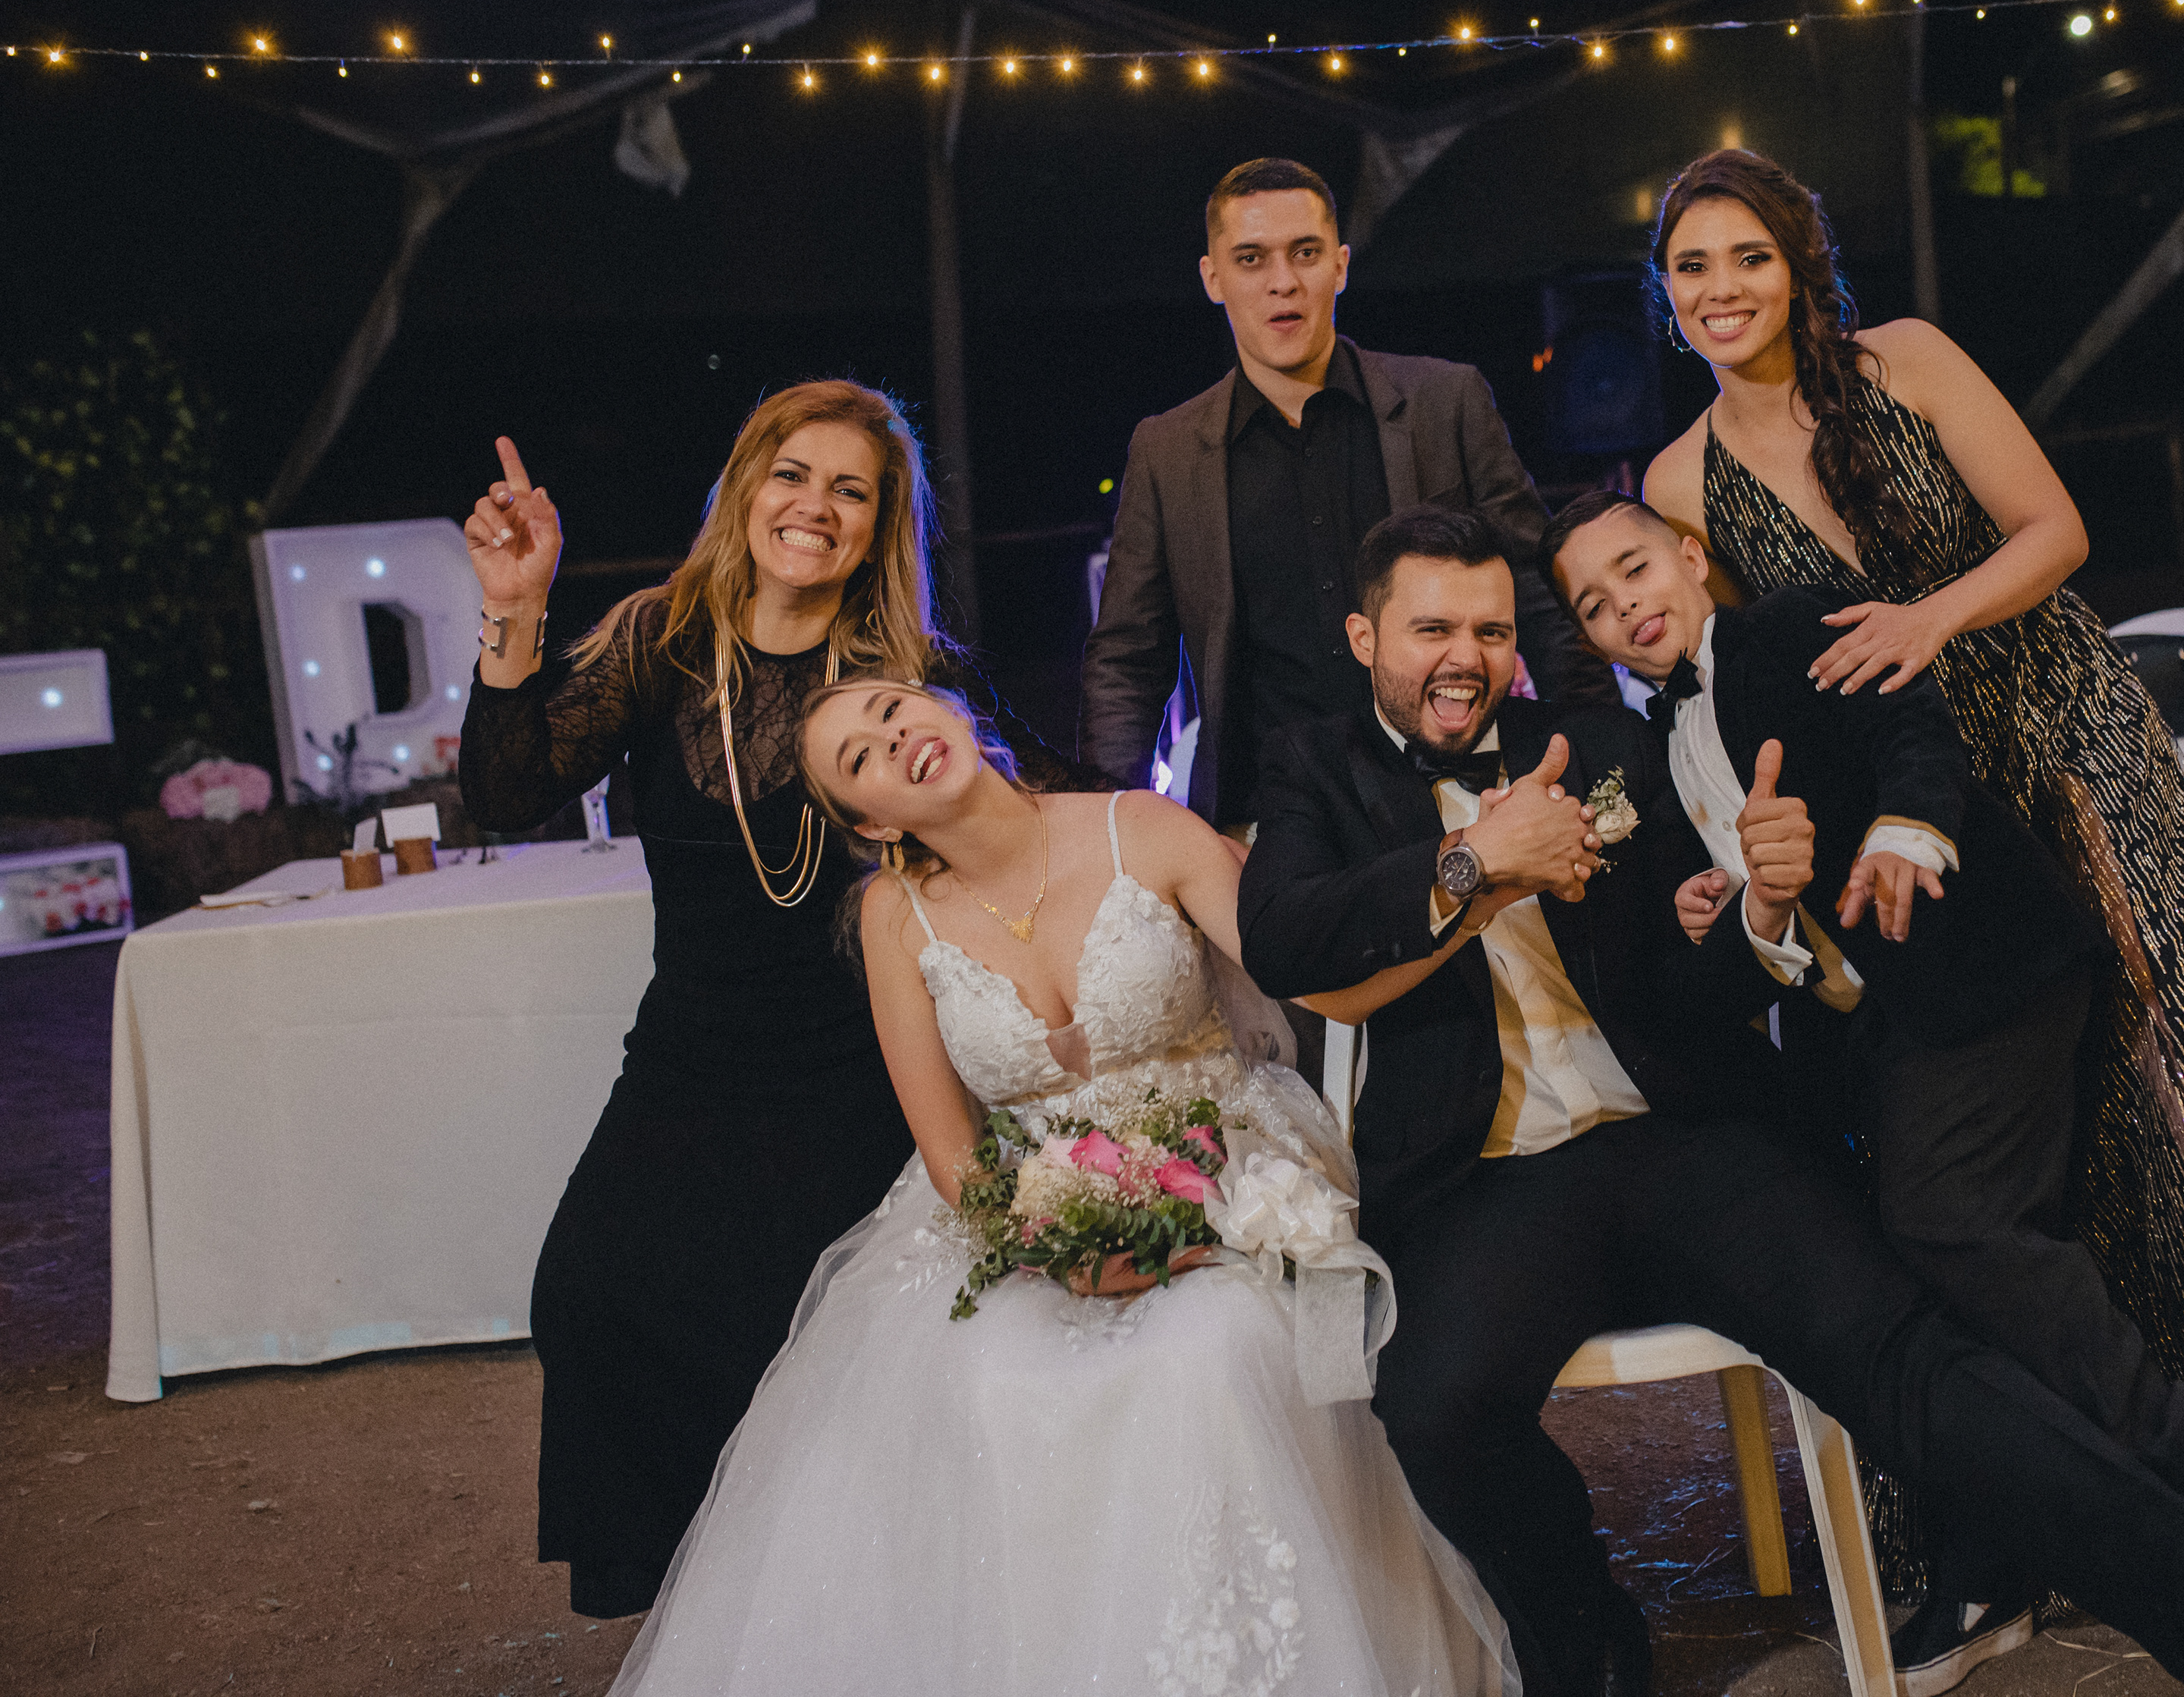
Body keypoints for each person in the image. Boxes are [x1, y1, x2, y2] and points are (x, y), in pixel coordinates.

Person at [1236, 504, 2184, 1697]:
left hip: (1681, 1141)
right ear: (1365, 636)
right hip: (1490, 1184)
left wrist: (1759, 910)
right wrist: (1477, 862)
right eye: (1432, 628)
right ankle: (1587, 1643)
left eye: (1490, 631)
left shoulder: (1593, 743)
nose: (1466, 656)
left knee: (1904, 1351)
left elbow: (1683, 992)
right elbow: (1281, 936)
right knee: (1437, 1405)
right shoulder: (1312, 765)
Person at [1634, 148, 2184, 1503]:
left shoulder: (1908, 361)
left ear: (1799, 263)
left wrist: (1928, 617)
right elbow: (1742, 693)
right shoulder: (1677, 483)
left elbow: (2054, 529)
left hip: (2068, 740)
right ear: (1664, 292)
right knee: (2074, 1134)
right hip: (1928, 820)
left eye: (1748, 256)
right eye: (1691, 266)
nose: (1722, 288)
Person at [599, 680, 1513, 1695]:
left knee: (1207, 1354)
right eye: (860, 757)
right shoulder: (892, 918)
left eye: (895, 710)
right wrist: (1054, 1247)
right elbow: (952, 1154)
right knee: (994, 1374)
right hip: (1027, 1201)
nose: (895, 739)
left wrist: (1475, 894)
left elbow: (1323, 980)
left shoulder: (1145, 827)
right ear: (872, 822)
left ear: (951, 709)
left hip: (1228, 1163)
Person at [1544, 489, 2184, 1684]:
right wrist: (1730, 907)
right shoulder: (1654, 746)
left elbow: (1911, 726)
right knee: (1921, 1269)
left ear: (1690, 556)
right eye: (1594, 603)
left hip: (1979, 962)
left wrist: (1908, 825)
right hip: (1880, 1032)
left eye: (1634, 568)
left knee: (1948, 1217)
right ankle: (2014, 1546)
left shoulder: (1786, 628)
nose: (1624, 606)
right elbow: (1744, 922)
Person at [457, 382, 1079, 1617]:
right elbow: (510, 790)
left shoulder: (912, 675)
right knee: (587, 1291)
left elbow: (1044, 813)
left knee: (806, 1329)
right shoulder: (658, 639)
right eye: (794, 474)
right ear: (748, 488)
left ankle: (825, 1597)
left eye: (852, 490)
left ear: (879, 526)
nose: (815, 507)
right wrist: (515, 607)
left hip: (863, 1068)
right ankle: (705, 1605)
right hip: (689, 1059)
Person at [1081, 156, 1614, 836]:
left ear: (1339, 266)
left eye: (1304, 253)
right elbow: (1128, 662)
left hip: (1459, 801)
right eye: (1251, 259)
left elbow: (1542, 600)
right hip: (1266, 823)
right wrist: (1106, 831)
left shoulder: (1444, 403)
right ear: (1214, 279)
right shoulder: (1168, 451)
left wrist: (1610, 760)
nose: (1283, 281)